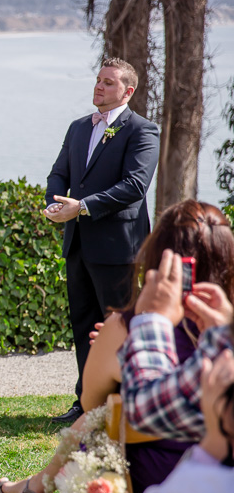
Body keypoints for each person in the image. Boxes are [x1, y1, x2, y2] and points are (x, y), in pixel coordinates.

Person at [0, 200, 233, 493]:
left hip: (139, 490)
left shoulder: (125, 328)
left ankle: (33, 489)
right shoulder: (223, 337)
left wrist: (137, 333)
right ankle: (33, 488)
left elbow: (92, 402)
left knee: (100, 418)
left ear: (157, 260)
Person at [43, 57, 159, 424]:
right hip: (77, 244)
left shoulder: (142, 130)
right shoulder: (79, 127)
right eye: (98, 80)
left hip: (118, 248)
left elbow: (135, 186)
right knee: (83, 323)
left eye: (109, 82)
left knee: (118, 328)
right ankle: (87, 402)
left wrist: (82, 207)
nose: (99, 87)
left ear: (128, 90)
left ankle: (124, 406)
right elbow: (58, 173)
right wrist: (54, 204)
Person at [87, 249, 234, 493]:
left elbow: (144, 406)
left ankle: (31, 490)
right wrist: (224, 333)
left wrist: (149, 321)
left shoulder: (207, 492)